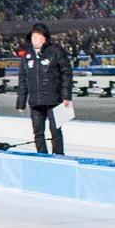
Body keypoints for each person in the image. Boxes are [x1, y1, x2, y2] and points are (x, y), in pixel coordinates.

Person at [12, 23, 71, 155]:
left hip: (54, 100)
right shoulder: (26, 56)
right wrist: (21, 103)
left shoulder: (56, 51)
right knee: (38, 132)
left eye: (38, 36)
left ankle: (58, 156)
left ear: (45, 38)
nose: (35, 39)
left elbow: (66, 73)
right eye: (33, 36)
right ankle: (42, 156)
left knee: (56, 131)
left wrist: (66, 96)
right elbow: (23, 80)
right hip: (35, 102)